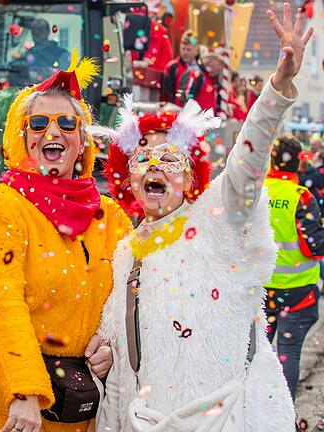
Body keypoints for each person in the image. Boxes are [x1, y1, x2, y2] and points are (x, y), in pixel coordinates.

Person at [92, 4, 310, 430]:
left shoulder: (218, 221)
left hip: (231, 418)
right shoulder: (124, 253)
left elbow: (247, 166)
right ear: (129, 182)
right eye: (143, 157)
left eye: (170, 157)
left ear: (191, 176)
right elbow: (123, 367)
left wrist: (277, 89)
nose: (155, 165)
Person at [0, 56, 130, 432]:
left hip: (78, 407)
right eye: (39, 123)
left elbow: (130, 301)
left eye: (67, 123)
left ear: (83, 139)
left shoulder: (112, 217)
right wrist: (23, 390)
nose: (52, 132)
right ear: (24, 136)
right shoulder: (0, 206)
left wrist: (108, 345)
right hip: (10, 409)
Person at [264, 134, 323, 400]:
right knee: (289, 352)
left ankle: (250, 412)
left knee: (254, 354)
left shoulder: (256, 193)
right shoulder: (301, 197)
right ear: (298, 162)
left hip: (260, 291)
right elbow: (315, 246)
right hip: (297, 293)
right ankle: (283, 415)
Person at [160, 30, 203, 106]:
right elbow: (167, 92)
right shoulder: (172, 67)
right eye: (183, 49)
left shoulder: (201, 70)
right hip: (175, 108)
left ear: (196, 51)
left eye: (189, 50)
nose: (185, 52)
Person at [198, 45, 231, 116]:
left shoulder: (215, 81)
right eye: (220, 64)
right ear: (211, 62)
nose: (220, 68)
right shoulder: (199, 76)